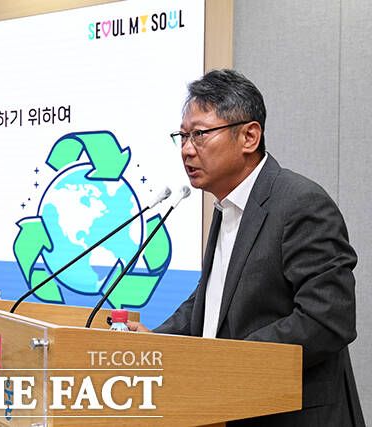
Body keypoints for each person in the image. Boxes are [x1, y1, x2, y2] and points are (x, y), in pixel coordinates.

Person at [128, 69, 365, 426]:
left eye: (199, 134)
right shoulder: (227, 206)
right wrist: (158, 342)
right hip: (234, 409)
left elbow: (328, 318)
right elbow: (211, 299)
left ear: (249, 136)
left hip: (292, 415)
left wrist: (225, 360)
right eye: (182, 136)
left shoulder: (301, 203)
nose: (186, 149)